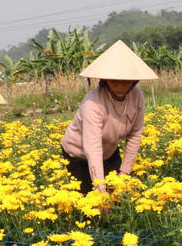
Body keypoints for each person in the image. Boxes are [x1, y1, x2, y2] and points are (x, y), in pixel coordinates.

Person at [61, 40, 159, 194]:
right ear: (105, 79)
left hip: (108, 152)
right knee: (89, 200)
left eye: (125, 81)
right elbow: (92, 148)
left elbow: (135, 133)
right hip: (78, 155)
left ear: (134, 81)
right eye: (114, 81)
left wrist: (125, 172)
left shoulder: (137, 97)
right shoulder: (93, 102)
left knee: (119, 192)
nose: (120, 86)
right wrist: (100, 190)